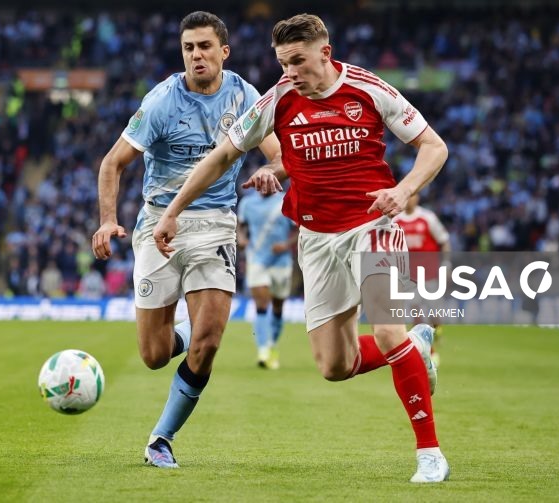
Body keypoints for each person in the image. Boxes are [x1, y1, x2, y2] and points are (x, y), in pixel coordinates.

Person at [152, 14, 450, 482]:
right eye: (282, 62)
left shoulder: (370, 90)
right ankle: (414, 347)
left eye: (297, 61)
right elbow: (222, 157)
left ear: (325, 54)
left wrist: (403, 189)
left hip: (374, 224)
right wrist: (172, 211)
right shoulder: (277, 101)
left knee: (388, 329)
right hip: (316, 238)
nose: (289, 72)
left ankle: (430, 453)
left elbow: (434, 146)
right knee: (335, 366)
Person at [91, 11, 281, 469]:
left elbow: (277, 154)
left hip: (215, 222)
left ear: (223, 52)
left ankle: (161, 438)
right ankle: (182, 329)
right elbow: (112, 163)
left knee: (209, 342)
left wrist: (272, 171)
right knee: (154, 355)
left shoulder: (244, 96)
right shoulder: (161, 101)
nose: (197, 55)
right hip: (158, 225)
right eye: (189, 48)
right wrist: (106, 220)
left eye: (205, 47)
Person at [236, 186, 297, 369]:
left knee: (278, 305)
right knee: (261, 305)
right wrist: (241, 239)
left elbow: (297, 230)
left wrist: (286, 245)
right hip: (256, 259)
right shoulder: (248, 202)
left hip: (281, 262)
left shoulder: (285, 201)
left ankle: (271, 344)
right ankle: (263, 350)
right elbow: (241, 226)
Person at [393, 193, 451, 365]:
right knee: (415, 309)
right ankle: (427, 347)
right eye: (408, 196)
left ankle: (437, 330)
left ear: (417, 198)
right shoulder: (395, 221)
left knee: (435, 311)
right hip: (409, 276)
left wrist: (447, 262)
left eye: (413, 196)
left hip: (430, 273)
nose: (410, 199)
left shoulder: (427, 218)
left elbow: (444, 240)